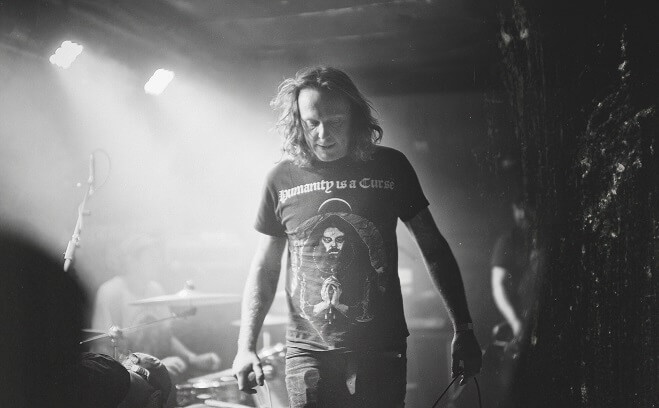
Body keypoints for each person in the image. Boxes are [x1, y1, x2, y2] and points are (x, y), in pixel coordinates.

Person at [232, 66, 482, 407]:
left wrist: (464, 328)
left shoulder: (391, 166)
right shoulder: (281, 178)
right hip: (307, 351)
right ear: (297, 122)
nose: (323, 134)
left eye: (335, 122)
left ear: (355, 118)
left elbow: (433, 247)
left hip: (381, 347)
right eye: (312, 123)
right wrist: (245, 347)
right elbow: (264, 269)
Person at [91, 234, 221, 380]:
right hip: (125, 381)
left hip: (153, 377)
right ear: (131, 261)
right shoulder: (112, 292)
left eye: (158, 258)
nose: (158, 263)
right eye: (151, 258)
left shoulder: (155, 289)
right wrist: (154, 367)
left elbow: (166, 336)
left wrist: (192, 358)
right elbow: (104, 351)